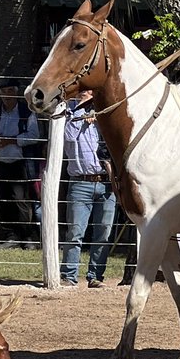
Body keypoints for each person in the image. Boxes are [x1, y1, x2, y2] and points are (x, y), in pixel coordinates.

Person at [61, 89, 118, 287]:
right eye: (84, 91)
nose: (88, 94)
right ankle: (69, 276)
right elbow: (68, 136)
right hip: (80, 181)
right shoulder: (69, 112)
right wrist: (81, 113)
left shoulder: (106, 113)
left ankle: (96, 276)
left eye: (90, 91)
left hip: (106, 181)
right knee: (76, 231)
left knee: (104, 232)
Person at [0, 81, 40, 248]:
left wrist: (11, 140)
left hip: (19, 163)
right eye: (3, 92)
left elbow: (34, 135)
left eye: (9, 91)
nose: (6, 95)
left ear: (16, 93)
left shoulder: (26, 111)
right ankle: (10, 236)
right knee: (2, 200)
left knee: (22, 201)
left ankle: (27, 237)